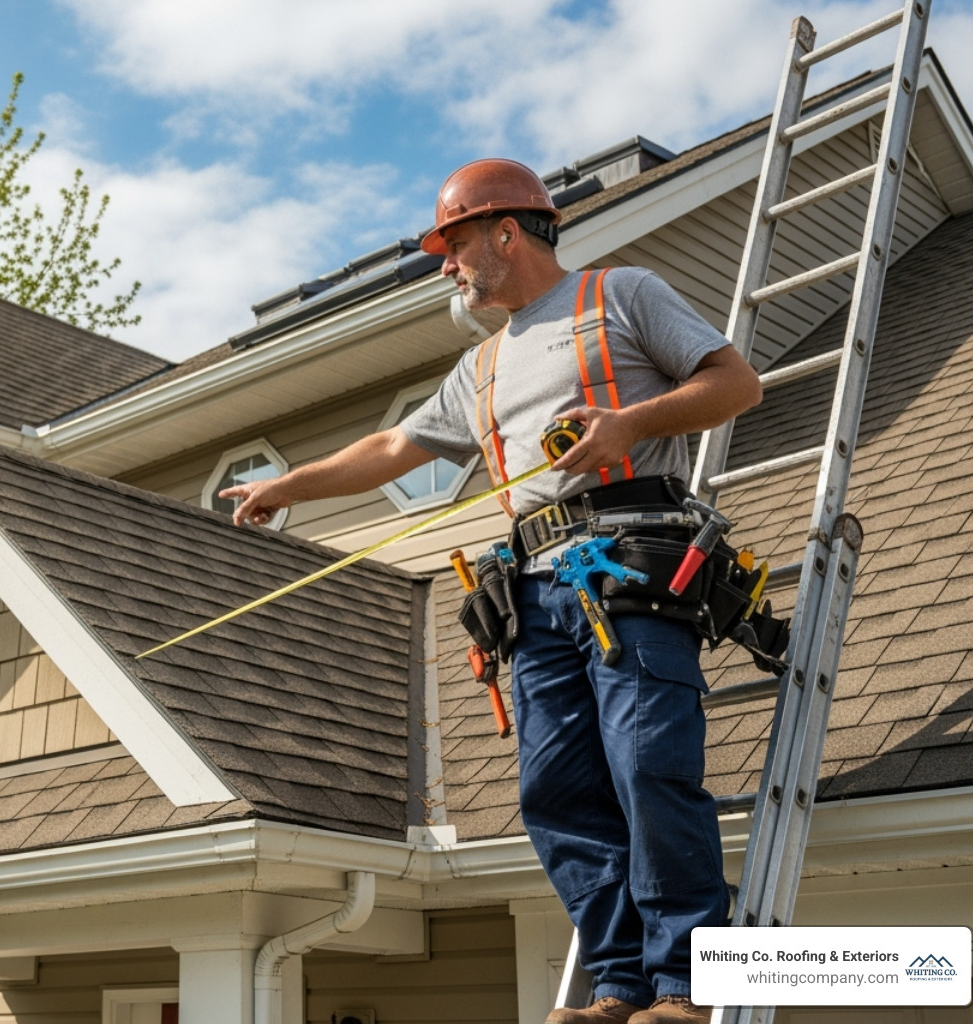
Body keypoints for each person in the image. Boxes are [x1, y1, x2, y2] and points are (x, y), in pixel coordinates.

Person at [220, 159, 763, 1024]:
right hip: (538, 594)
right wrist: (286, 488)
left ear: (508, 232)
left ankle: (689, 986)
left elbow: (736, 384)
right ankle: (621, 983)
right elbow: (392, 449)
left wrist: (629, 423)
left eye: (455, 244)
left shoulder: (620, 295)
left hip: (629, 568)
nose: (447, 265)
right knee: (555, 791)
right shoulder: (480, 367)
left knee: (649, 768)